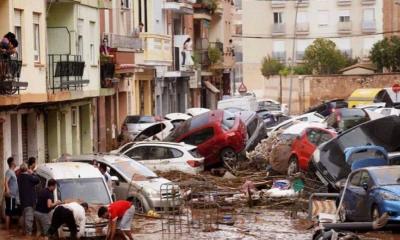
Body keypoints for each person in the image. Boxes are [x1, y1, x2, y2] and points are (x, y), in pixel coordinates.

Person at [17, 163, 40, 236]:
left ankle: (23, 233)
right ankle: (28, 236)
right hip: (29, 202)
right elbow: (37, 180)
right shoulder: (29, 177)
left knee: (24, 218)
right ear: (27, 169)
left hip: (22, 202)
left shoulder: (19, 177)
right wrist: (33, 172)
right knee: (29, 220)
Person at [4, 157, 20, 230]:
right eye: (14, 161)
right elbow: (6, 181)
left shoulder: (13, 171)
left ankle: (9, 229)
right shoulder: (9, 172)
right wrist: (7, 190)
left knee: (10, 212)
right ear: (12, 163)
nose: (15, 162)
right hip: (10, 196)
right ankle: (7, 230)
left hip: (13, 196)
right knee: (9, 212)